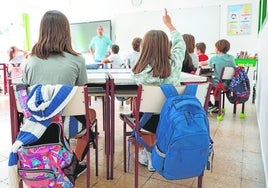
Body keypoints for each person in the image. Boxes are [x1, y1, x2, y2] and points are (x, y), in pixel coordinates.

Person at [21, 10, 93, 179]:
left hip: (34, 125)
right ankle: (73, 163)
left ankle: (53, 159)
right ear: (66, 32)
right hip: (64, 125)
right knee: (91, 114)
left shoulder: (30, 61)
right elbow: (83, 97)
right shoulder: (77, 60)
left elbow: (24, 95)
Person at [131, 8, 186, 171]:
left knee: (139, 106)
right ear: (166, 46)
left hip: (146, 121)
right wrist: (169, 24)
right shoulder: (175, 64)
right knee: (156, 113)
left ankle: (149, 155)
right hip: (172, 117)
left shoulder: (139, 71)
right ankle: (162, 152)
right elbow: (180, 44)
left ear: (144, 47)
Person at [208, 39, 236, 113]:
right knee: (217, 81)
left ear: (217, 48)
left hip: (218, 84)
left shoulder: (214, 58)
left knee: (207, 83)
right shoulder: (231, 58)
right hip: (229, 84)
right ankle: (217, 105)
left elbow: (207, 65)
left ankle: (209, 105)